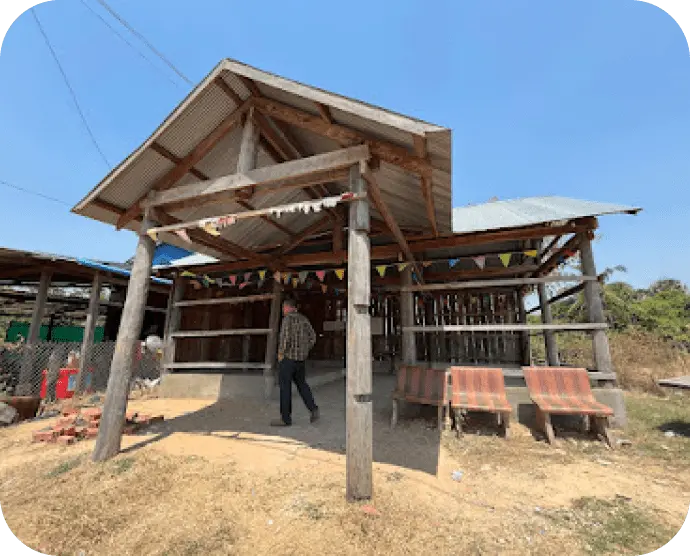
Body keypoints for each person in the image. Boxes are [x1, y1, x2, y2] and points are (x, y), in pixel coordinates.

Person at [270, 298, 319, 427]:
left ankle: (285, 418)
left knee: (285, 388)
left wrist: (281, 354)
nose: (283, 310)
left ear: (288, 307)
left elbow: (285, 339)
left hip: (288, 359)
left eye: (284, 308)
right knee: (302, 384)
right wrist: (305, 350)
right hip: (300, 359)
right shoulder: (304, 319)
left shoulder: (288, 320)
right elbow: (313, 337)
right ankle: (313, 408)